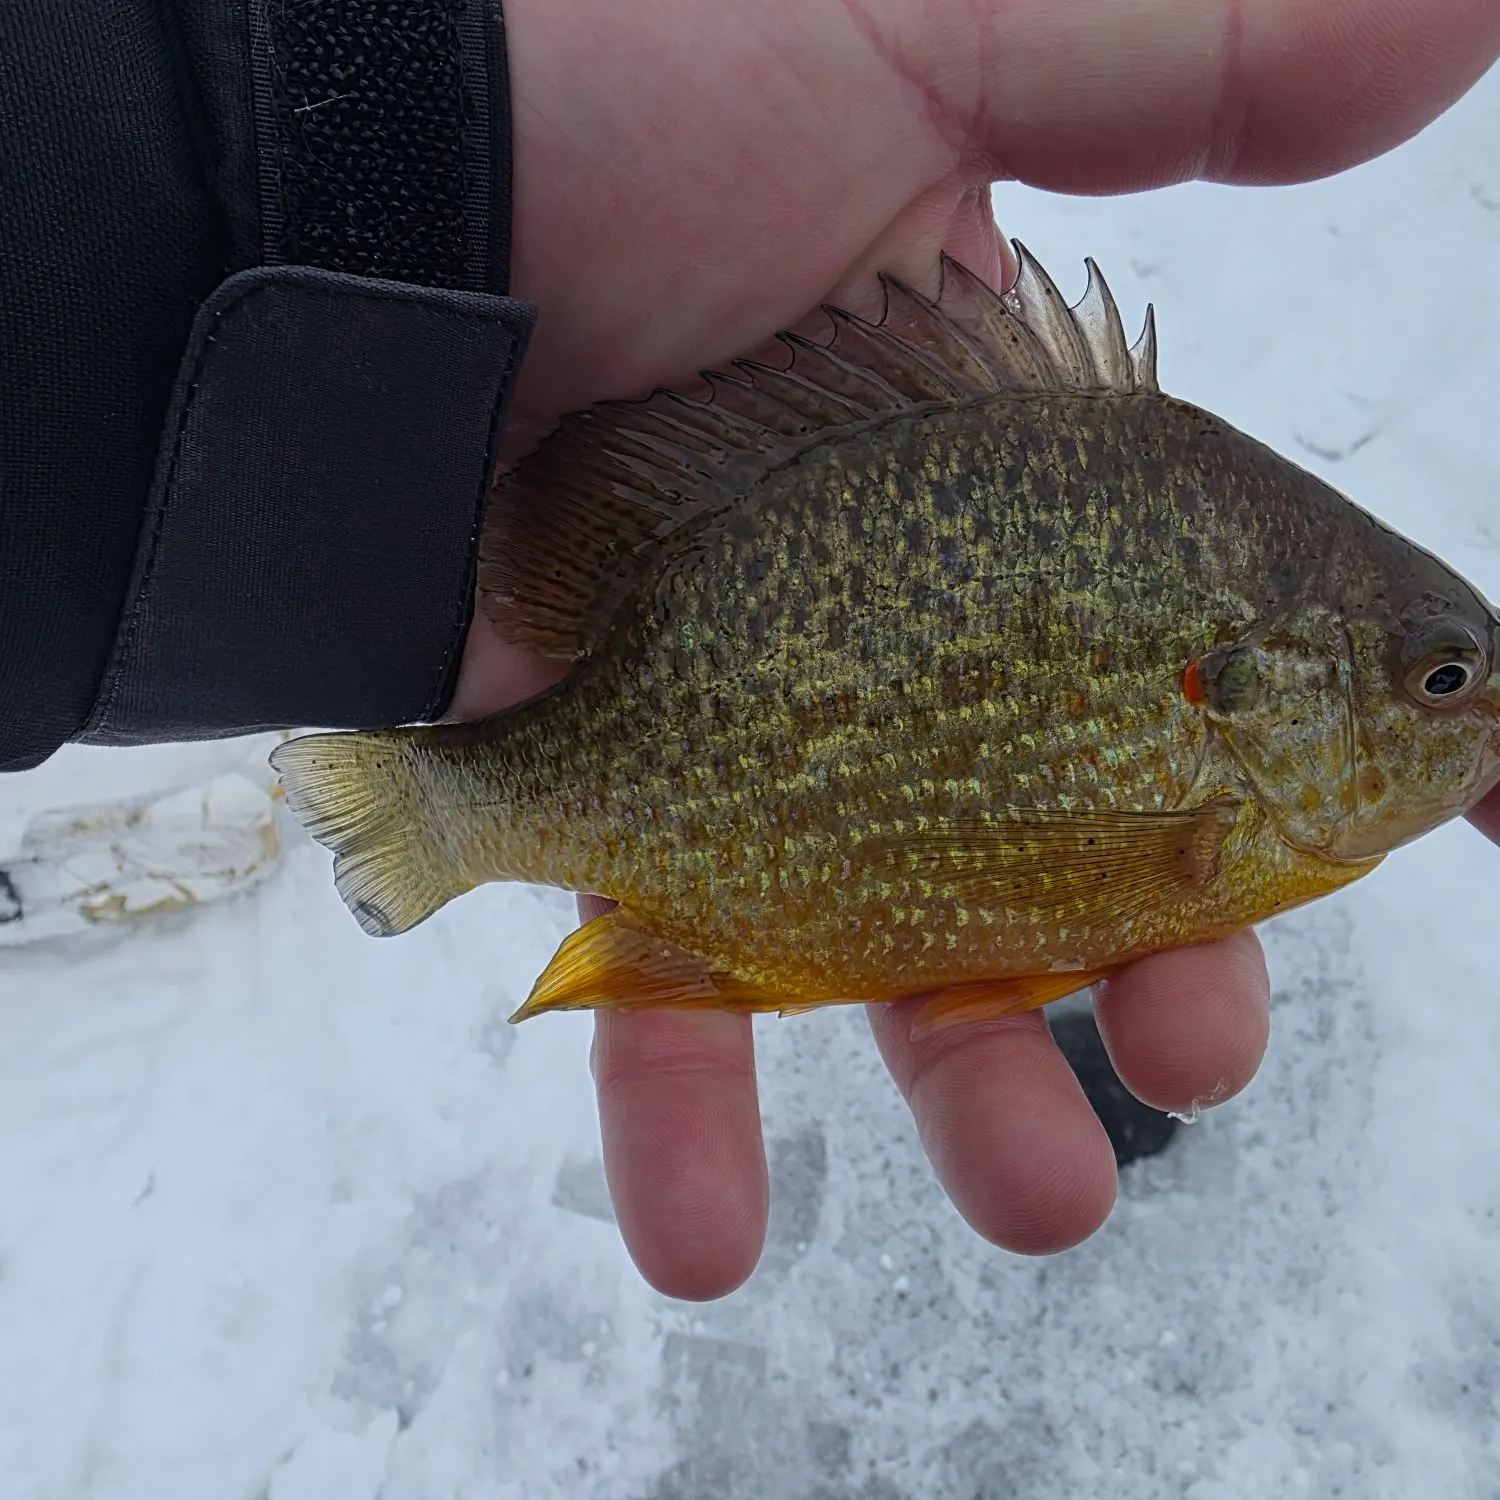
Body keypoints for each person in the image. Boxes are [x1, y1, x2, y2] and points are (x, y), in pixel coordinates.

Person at [3, 1, 1499, 1303]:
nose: (1463, 709)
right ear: (1249, 683)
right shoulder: (1222, 765)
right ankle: (462, 805)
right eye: (1438, 680)